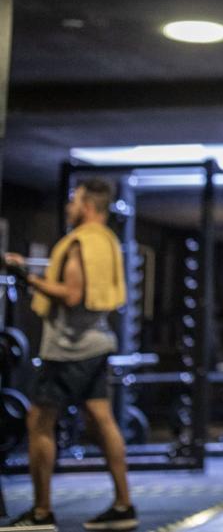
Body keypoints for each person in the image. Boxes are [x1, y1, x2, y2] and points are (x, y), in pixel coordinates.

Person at [5, 178, 136, 531]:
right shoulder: (107, 241)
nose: (68, 207)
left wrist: (26, 276)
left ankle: (41, 513)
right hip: (98, 342)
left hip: (68, 349)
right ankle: (124, 505)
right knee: (101, 418)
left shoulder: (80, 243)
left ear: (87, 206)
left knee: (38, 421)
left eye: (73, 201)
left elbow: (72, 293)